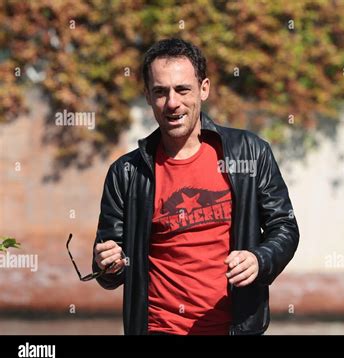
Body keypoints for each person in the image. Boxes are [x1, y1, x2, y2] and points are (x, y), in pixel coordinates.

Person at [92, 38, 299, 335]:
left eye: (182, 89)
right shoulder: (126, 173)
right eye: (160, 92)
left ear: (204, 89)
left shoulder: (250, 153)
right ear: (148, 97)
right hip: (158, 328)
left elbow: (285, 227)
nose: (172, 102)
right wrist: (108, 263)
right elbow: (110, 270)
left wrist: (259, 259)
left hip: (234, 328)